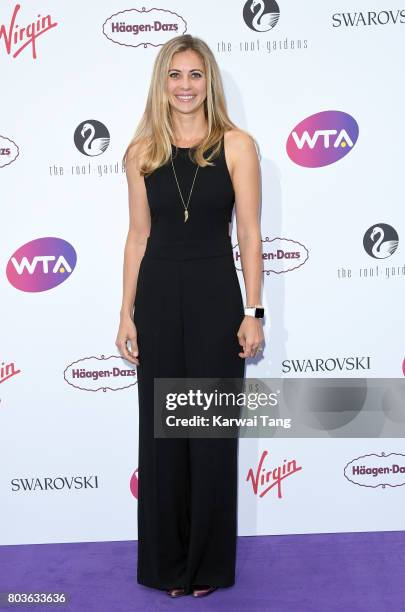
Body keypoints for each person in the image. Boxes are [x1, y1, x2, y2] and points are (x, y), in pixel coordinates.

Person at [116, 34, 264, 598]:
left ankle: (206, 567)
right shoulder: (141, 152)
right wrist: (126, 313)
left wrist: (253, 311)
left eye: (195, 74)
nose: (184, 85)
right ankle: (166, 566)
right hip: (156, 299)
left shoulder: (236, 145)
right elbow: (136, 239)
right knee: (163, 437)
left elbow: (249, 234)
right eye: (175, 74)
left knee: (208, 434)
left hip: (213, 299)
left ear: (209, 81)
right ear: (162, 82)